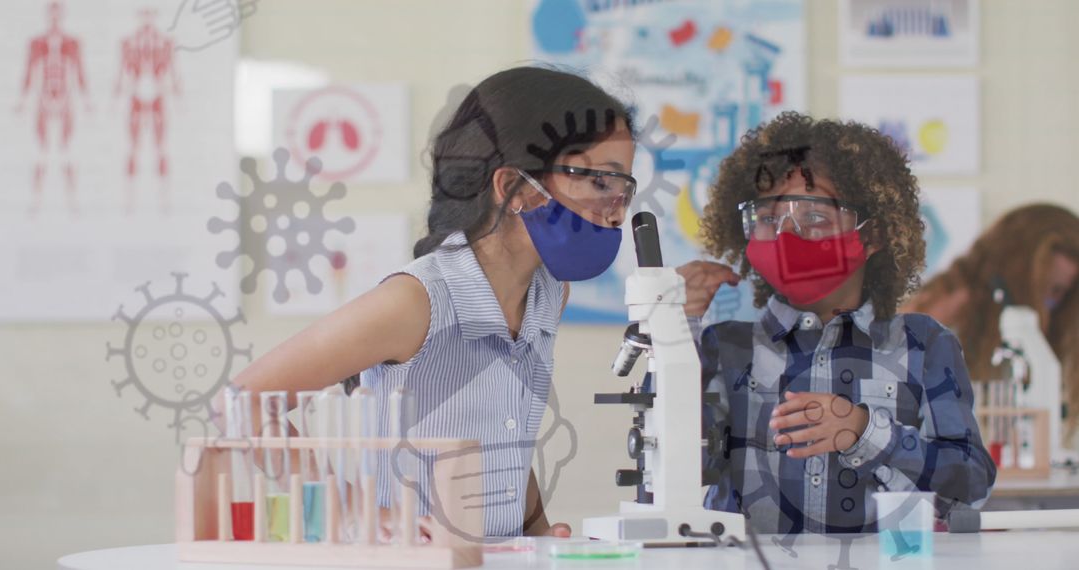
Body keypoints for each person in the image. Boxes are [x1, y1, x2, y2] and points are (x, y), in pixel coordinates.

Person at [230, 66, 734, 538]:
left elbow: (509, 438)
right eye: (598, 178)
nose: (615, 204)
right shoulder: (416, 300)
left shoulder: (549, 294)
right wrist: (366, 516)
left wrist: (538, 534)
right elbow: (243, 402)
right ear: (515, 187)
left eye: (622, 182)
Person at [695, 111, 996, 534]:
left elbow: (971, 486)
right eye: (766, 218)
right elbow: (666, 471)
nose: (785, 237)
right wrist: (673, 326)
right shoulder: (723, 347)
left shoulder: (923, 345)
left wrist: (866, 431)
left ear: (872, 236)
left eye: (814, 218)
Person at [902, 204, 1079, 441]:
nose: (1050, 303)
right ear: (1017, 275)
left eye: (1061, 293)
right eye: (1048, 289)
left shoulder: (1025, 337)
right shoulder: (944, 310)